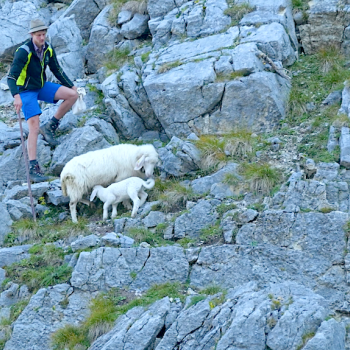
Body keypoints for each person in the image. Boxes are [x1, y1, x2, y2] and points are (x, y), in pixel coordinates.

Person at [7, 18, 78, 182]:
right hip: (25, 90)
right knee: (33, 125)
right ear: (32, 35)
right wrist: (16, 96)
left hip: (40, 85)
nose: (42, 38)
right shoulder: (23, 51)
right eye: (39, 35)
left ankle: (50, 126)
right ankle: (33, 167)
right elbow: (11, 77)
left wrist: (72, 86)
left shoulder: (48, 49)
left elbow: (57, 69)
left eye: (44, 34)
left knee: (72, 96)